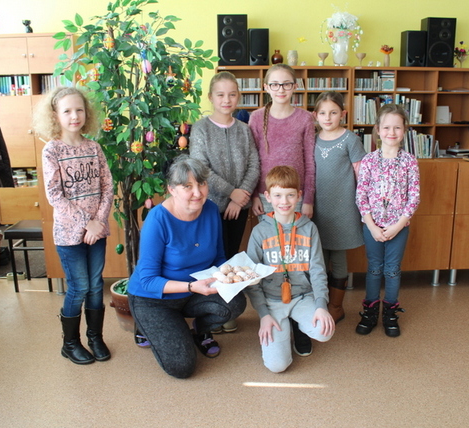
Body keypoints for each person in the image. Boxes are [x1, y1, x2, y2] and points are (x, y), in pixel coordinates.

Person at [127, 155, 246, 379]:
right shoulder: (157, 220)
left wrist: (236, 276)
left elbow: (218, 257)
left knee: (236, 302)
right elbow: (148, 280)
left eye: (201, 183)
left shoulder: (210, 210)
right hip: (154, 299)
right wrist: (191, 287)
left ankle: (198, 329)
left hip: (195, 292)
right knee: (182, 367)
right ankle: (148, 325)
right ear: (172, 190)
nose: (198, 193)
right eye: (187, 186)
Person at [36, 86, 114, 365]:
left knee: (95, 286)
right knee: (79, 287)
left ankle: (95, 337)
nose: (74, 116)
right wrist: (86, 223)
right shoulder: (52, 150)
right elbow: (55, 195)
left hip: (97, 232)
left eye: (79, 109)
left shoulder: (94, 148)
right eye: (67, 111)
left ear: (86, 113)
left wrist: (99, 222)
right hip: (69, 235)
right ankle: (70, 344)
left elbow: (107, 187)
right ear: (55, 115)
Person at [248, 63, 316, 355]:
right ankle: (276, 313)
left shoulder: (305, 118)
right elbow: (253, 160)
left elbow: (310, 161)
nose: (280, 89)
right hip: (267, 198)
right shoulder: (256, 118)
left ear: (295, 87)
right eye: (274, 84)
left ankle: (300, 321)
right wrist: (255, 194)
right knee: (272, 256)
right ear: (266, 88)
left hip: (296, 196)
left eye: (286, 84)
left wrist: (308, 198)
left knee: (299, 256)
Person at [189, 71, 260, 335]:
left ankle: (228, 311)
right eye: (220, 95)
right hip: (209, 207)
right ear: (211, 97)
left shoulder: (244, 129)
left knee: (230, 258)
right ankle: (209, 313)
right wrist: (231, 192)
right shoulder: (201, 128)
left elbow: (254, 164)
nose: (226, 100)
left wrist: (241, 196)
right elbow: (201, 168)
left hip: (238, 208)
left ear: (238, 96)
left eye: (232, 94)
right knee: (209, 260)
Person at [246, 166, 334, 373]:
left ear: (299, 196)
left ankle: (299, 326)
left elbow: (318, 270)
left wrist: (321, 305)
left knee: (324, 331)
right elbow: (252, 277)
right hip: (272, 301)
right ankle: (283, 329)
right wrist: (263, 314)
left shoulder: (309, 228)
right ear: (268, 196)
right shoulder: (259, 232)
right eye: (278, 195)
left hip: (303, 297)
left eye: (290, 195)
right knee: (277, 366)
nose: (284, 201)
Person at [355, 104, 420, 338]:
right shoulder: (369, 160)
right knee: (374, 269)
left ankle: (390, 313)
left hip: (398, 228)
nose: (391, 132)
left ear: (404, 130)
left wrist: (398, 225)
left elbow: (414, 196)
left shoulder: (409, 161)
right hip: (372, 227)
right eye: (386, 127)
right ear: (377, 130)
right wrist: (372, 226)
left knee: (392, 270)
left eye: (397, 127)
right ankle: (370, 311)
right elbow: (361, 195)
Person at [312, 91, 367, 323]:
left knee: (339, 257)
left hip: (343, 209)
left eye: (333, 112)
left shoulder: (350, 140)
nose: (328, 117)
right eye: (323, 113)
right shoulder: (312, 139)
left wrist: (365, 208)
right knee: (319, 257)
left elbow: (361, 175)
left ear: (343, 114)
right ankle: (320, 305)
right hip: (317, 209)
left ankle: (336, 306)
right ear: (315, 115)